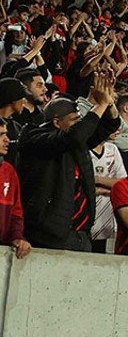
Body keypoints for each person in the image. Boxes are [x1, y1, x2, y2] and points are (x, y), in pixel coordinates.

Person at [18, 74, 120, 251]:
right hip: (50, 234)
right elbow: (75, 135)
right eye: (75, 120)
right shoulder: (35, 137)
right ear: (57, 122)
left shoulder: (75, 140)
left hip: (81, 232)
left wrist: (109, 103)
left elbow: (109, 126)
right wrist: (100, 105)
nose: (80, 125)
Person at [0, 121, 30, 259]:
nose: (7, 139)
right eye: (1, 135)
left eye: (5, 134)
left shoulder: (9, 171)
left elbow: (16, 214)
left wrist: (17, 237)